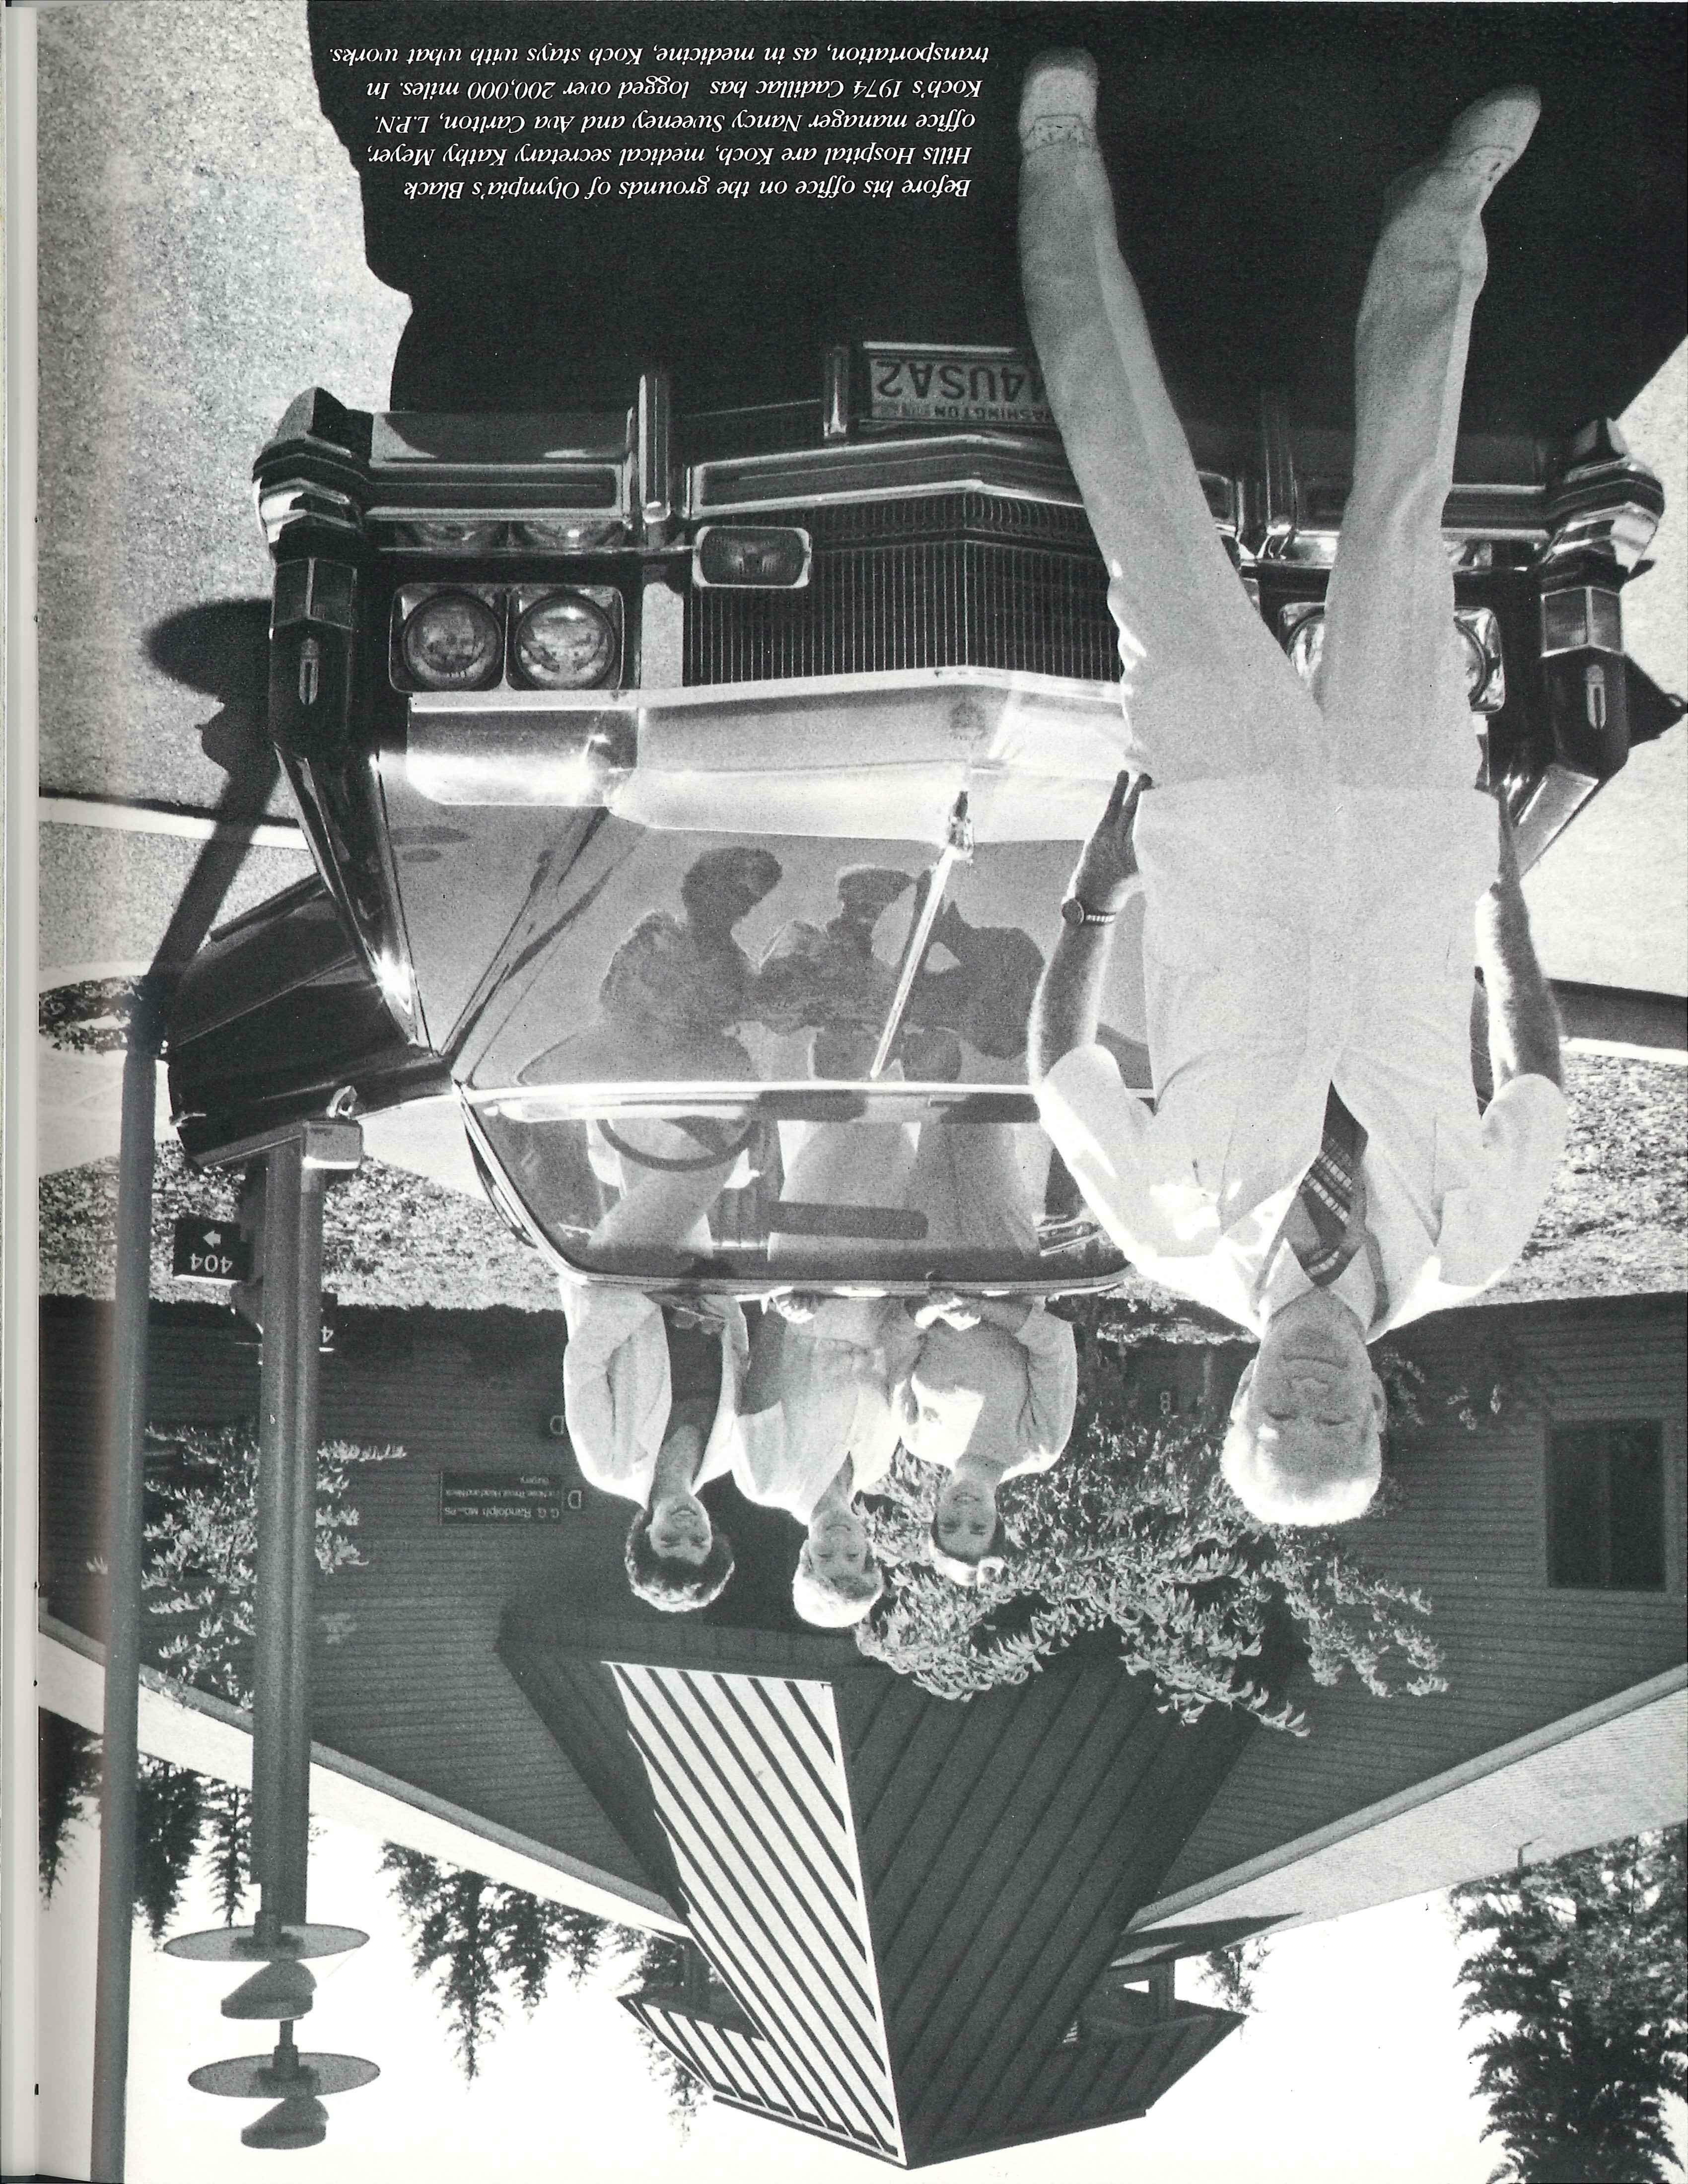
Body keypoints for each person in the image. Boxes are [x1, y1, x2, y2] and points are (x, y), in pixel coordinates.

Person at [1019, 55, 1567, 1528]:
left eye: (1278, 1417)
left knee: (1148, 523)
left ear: (1236, 1405)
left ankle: (1057, 166)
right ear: (1378, 1409)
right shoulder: (1471, 1248)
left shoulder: (1166, 1233)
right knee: (1403, 525)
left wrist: (1095, 896)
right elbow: (1529, 1077)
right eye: (1334, 1418)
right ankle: (1435, 221)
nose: (1307, 1392)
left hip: (1222, 826)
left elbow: (1059, 1071)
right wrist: (1499, 908)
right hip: (1408, 828)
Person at [730, 1293, 920, 1626]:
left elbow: (761, 1380)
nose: (838, 1540)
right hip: (882, 1309)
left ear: (806, 1554)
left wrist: (780, 1308)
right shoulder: (876, 1468)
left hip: (809, 1308)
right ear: (868, 1550)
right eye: (852, 1555)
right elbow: (893, 1373)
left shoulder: (767, 1484)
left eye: (825, 1555)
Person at [558, 1279, 745, 1611]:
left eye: (669, 1540)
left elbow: (583, 1363)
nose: (686, 1527)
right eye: (699, 1540)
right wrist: (722, 1302)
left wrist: (645, 1298)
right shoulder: (730, 1456)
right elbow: (739, 1360)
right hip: (707, 1281)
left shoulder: (608, 1468)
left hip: (622, 1281)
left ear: (646, 1536)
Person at [895, 1294, 1078, 1585]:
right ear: (998, 1521)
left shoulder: (918, 1441)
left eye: (950, 1524)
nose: (965, 1510)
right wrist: (982, 1308)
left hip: (928, 1286)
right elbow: (1054, 1340)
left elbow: (895, 1346)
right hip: (1012, 1282)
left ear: (936, 1516)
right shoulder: (1039, 1448)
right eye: (979, 1527)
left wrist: (932, 1308)